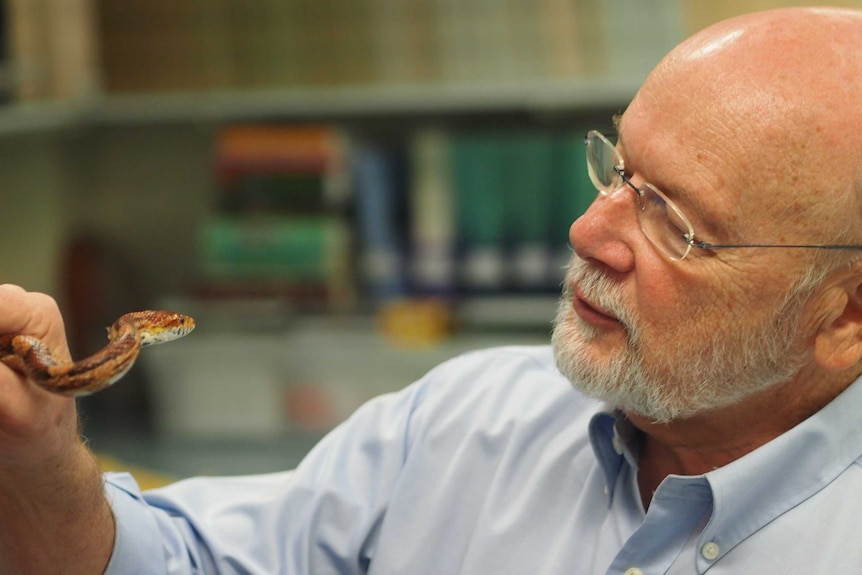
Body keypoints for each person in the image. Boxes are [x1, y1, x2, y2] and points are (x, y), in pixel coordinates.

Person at [3, 5, 862, 574]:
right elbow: (187, 563)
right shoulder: (464, 426)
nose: (588, 233)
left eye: (676, 224)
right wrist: (41, 461)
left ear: (845, 315)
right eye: (619, 168)